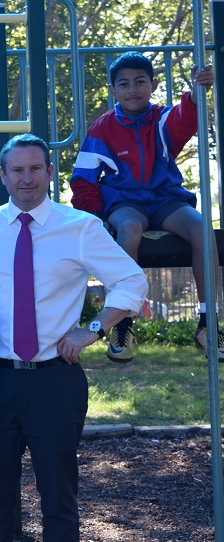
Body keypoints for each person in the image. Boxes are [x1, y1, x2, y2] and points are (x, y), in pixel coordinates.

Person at [0, 134, 148, 542]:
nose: (27, 177)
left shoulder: (81, 227)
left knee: (59, 496)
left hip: (56, 378)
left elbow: (131, 279)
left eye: (35, 168)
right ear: (3, 176)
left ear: (50, 173)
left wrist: (94, 328)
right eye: (17, 169)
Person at [71, 51, 218, 362]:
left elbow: (185, 119)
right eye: (124, 84)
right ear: (113, 90)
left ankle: (208, 322)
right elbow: (83, 179)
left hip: (166, 199)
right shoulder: (102, 128)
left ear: (152, 85)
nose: (132, 89)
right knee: (128, 229)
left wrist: (194, 93)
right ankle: (122, 324)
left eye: (140, 82)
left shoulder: (162, 119)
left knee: (201, 228)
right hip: (126, 203)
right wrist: (96, 216)